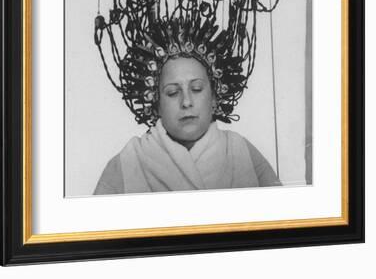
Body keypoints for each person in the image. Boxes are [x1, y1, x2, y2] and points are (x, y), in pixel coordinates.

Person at [94, 55, 280, 194]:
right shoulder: (129, 160)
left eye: (196, 89)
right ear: (157, 104)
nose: (186, 102)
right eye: (173, 92)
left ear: (214, 98)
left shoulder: (240, 149)